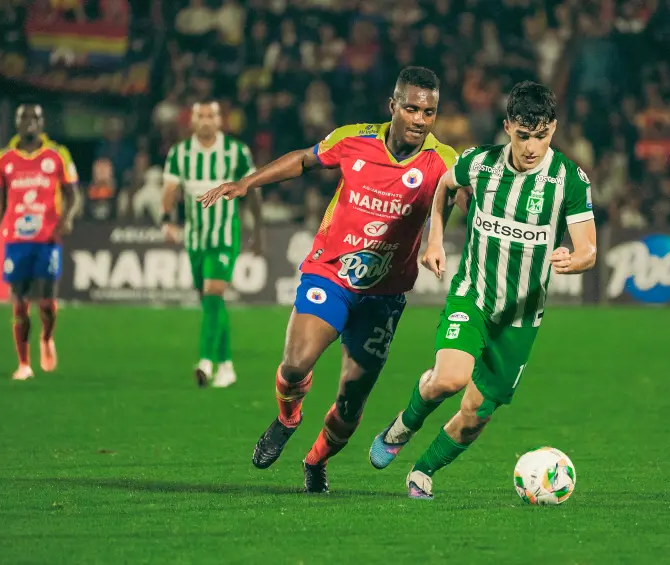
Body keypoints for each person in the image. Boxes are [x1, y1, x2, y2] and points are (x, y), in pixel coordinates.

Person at [197, 67, 458, 493]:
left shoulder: (442, 159)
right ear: (392, 105)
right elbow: (303, 159)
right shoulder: (352, 139)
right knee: (295, 363)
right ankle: (287, 418)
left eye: (428, 112)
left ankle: (315, 461)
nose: (419, 119)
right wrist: (247, 182)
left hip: (384, 295)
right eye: (410, 108)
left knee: (351, 404)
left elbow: (458, 192)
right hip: (332, 272)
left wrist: (436, 238)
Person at [369, 81, 598, 500]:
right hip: (473, 295)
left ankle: (424, 470)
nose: (532, 147)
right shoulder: (479, 163)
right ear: (508, 126)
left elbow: (588, 250)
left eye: (543, 136)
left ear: (554, 129)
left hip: (521, 319)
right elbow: (444, 187)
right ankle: (403, 425)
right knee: (450, 380)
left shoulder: (569, 180)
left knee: (475, 415)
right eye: (524, 136)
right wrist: (434, 239)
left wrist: (574, 257)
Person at [162, 100, 265, 388]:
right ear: (192, 121)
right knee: (211, 301)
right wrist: (165, 218)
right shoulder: (180, 154)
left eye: (211, 116)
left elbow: (253, 189)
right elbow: (169, 189)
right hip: (195, 239)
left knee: (213, 292)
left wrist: (259, 230)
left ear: (220, 121)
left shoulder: (236, 152)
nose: (206, 120)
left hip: (224, 237)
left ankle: (206, 363)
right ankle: (227, 365)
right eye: (201, 116)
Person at [0, 104, 80, 380]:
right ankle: (24, 364)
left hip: (47, 238)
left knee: (47, 303)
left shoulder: (57, 155)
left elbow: (73, 193)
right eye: (23, 117)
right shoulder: (3, 159)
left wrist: (68, 217)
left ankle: (47, 338)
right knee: (19, 302)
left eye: (34, 117)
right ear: (15, 123)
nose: (29, 122)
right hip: (16, 239)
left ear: (42, 122)